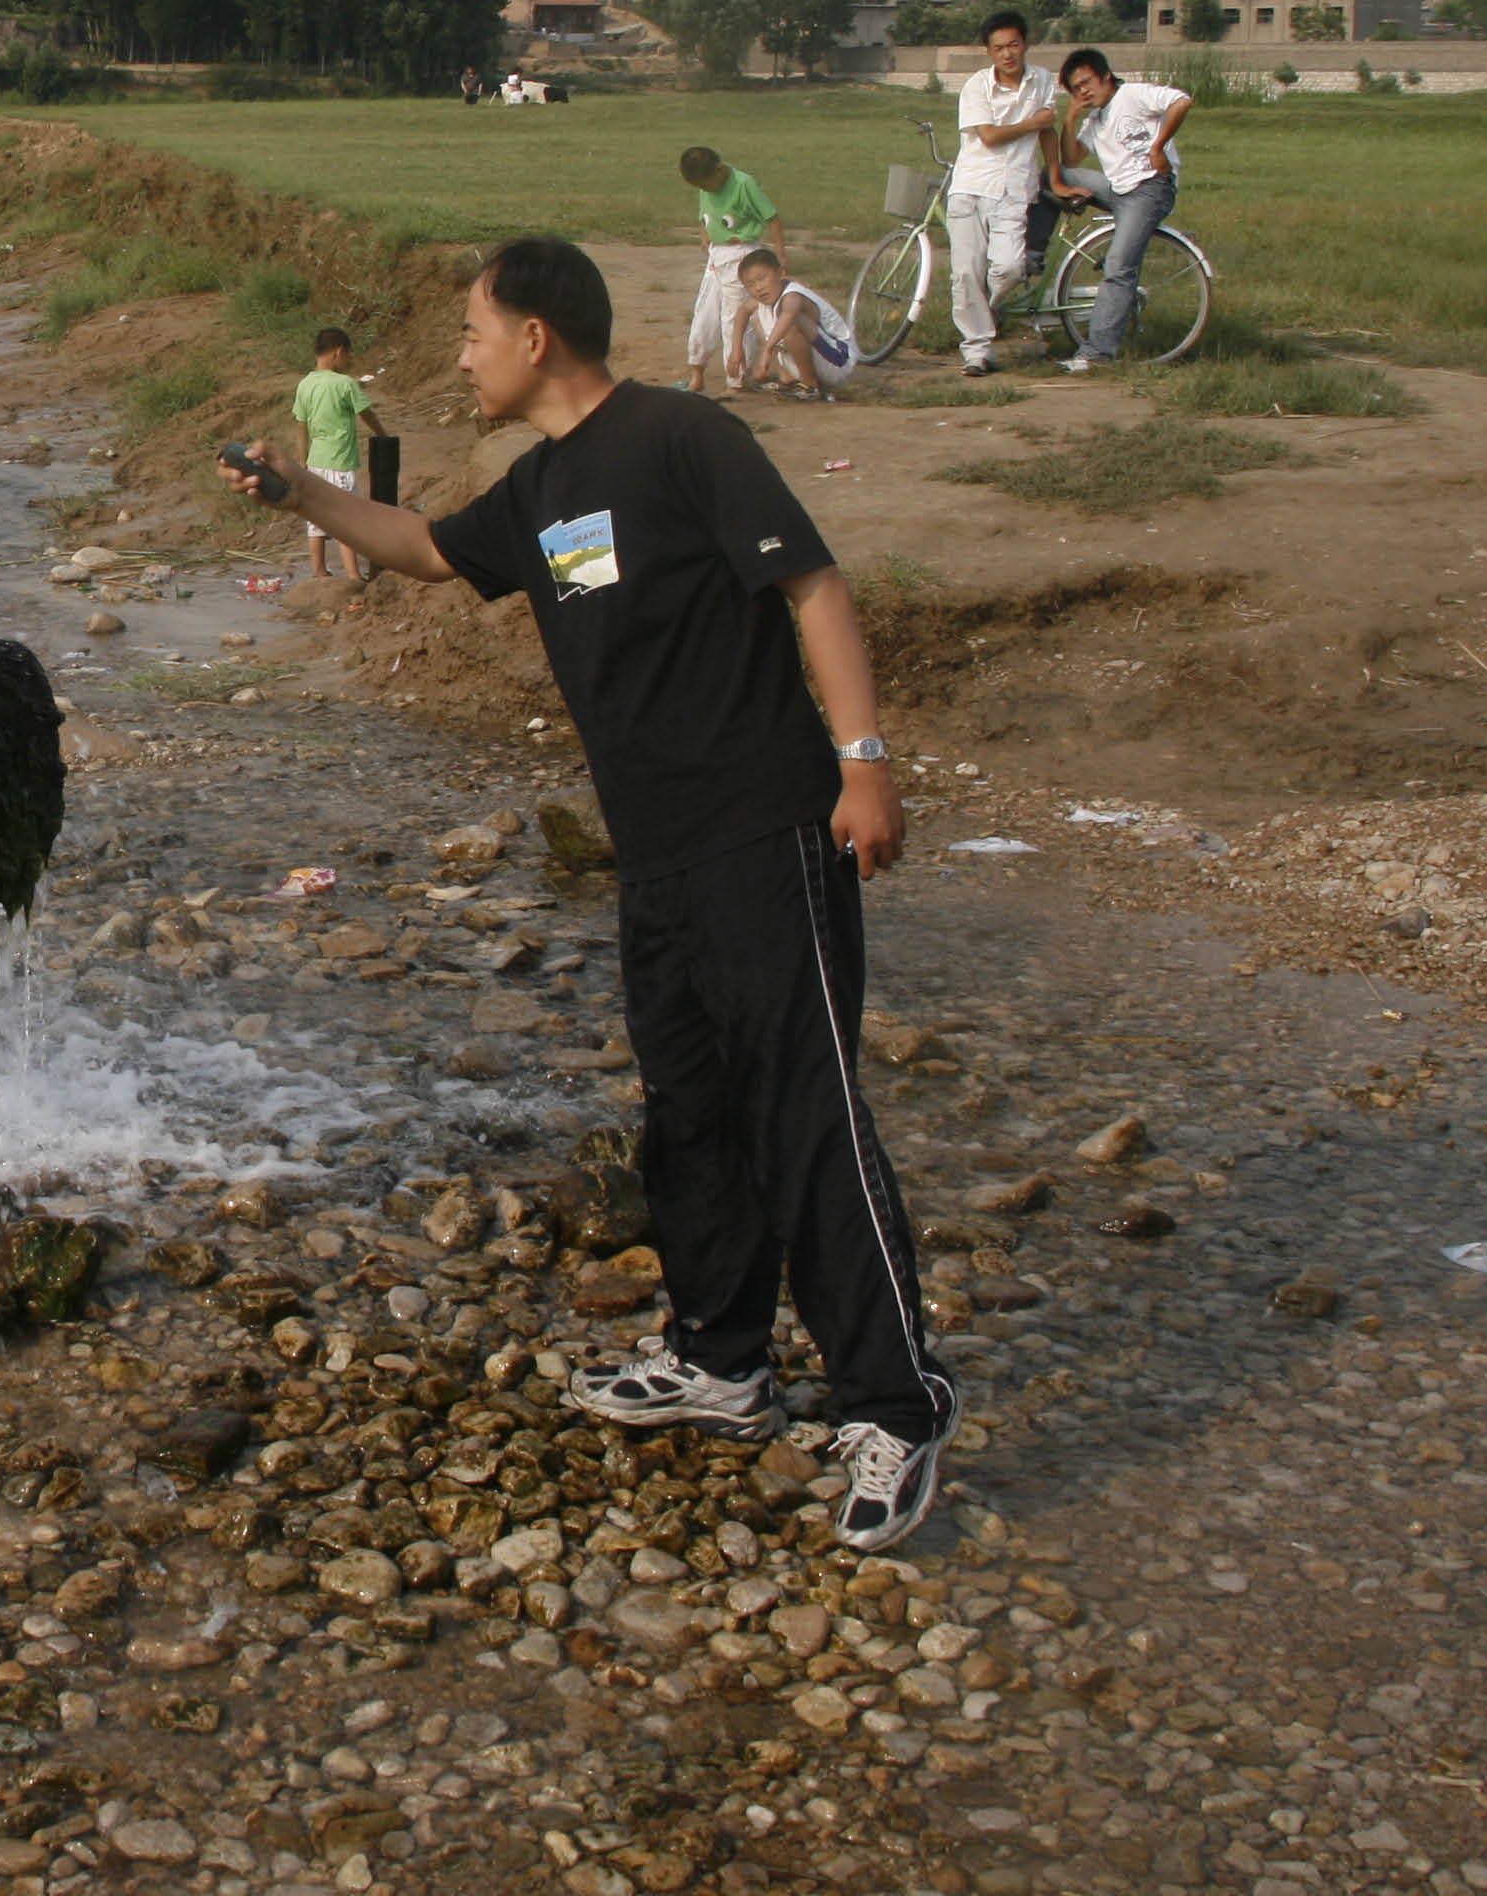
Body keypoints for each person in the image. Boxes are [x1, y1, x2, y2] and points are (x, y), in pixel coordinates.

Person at [218, 239, 960, 1552]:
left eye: (472, 330)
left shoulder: (684, 438)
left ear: (538, 335)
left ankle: (894, 1409)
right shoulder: (541, 486)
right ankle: (720, 1361)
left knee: (804, 1112)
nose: (462, 353)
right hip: (655, 851)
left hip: (767, 826)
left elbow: (813, 583)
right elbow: (425, 549)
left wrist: (863, 762)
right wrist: (298, 494)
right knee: (687, 1109)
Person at [1052, 48, 1190, 373]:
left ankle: (1098, 354)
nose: (1084, 91)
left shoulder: (1133, 95)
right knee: (1052, 175)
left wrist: (1158, 148)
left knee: (1118, 266)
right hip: (1117, 190)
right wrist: (1070, 118)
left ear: (1105, 76)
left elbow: (1182, 100)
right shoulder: (1095, 118)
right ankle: (1029, 261)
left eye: (1087, 82)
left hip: (1149, 188)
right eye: (1076, 88)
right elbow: (1071, 159)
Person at [948, 12, 1059, 378]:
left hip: (1014, 190)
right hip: (970, 186)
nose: (1007, 54)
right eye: (998, 48)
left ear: (1025, 43)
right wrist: (1034, 121)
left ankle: (988, 308)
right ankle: (977, 352)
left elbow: (1048, 133)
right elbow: (989, 136)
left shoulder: (1042, 80)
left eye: (1013, 45)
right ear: (988, 52)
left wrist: (1055, 176)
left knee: (1008, 267)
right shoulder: (976, 86)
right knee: (966, 273)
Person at [677, 146, 784, 397]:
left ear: (719, 170)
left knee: (734, 319)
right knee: (704, 315)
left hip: (741, 257)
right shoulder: (706, 187)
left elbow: (773, 218)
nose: (705, 190)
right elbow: (704, 218)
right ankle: (697, 372)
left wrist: (780, 255)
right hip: (717, 256)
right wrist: (705, 237)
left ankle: (735, 381)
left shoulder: (744, 184)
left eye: (707, 183)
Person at [288, 326, 382, 580]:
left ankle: (319, 571)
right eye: (348, 355)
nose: (349, 360)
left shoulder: (305, 385)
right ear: (339, 353)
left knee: (316, 518)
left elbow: (301, 425)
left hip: (315, 461)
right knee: (345, 517)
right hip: (340, 460)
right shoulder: (346, 384)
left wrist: (302, 460)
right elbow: (366, 413)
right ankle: (353, 574)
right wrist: (382, 433)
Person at [735, 247, 854, 401]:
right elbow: (742, 311)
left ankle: (810, 385)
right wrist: (736, 351)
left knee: (790, 323)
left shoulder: (792, 295)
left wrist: (767, 351)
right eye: (750, 284)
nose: (758, 288)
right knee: (758, 315)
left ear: (780, 273)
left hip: (837, 361)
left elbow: (790, 314)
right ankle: (788, 376)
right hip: (817, 359)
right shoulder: (766, 297)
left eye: (762, 278)